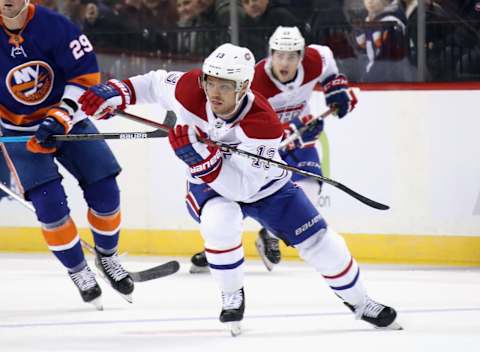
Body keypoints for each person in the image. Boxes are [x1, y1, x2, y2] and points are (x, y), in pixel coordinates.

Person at [79, 42, 400, 335]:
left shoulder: (263, 124)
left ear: (244, 87)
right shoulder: (191, 88)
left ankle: (361, 303)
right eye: (210, 81)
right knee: (221, 222)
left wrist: (200, 159)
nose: (213, 92)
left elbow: (244, 189)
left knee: (323, 244)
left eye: (224, 86)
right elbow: (152, 83)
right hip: (212, 187)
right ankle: (232, 296)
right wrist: (115, 92)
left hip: (263, 185)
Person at [190, 26, 358, 273]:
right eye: (279, 55)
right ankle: (219, 247)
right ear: (270, 54)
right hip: (259, 144)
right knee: (241, 197)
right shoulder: (255, 81)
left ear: (301, 56)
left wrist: (336, 87)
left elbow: (327, 58)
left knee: (309, 190)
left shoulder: (314, 60)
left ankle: (268, 234)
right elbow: (247, 126)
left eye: (291, 56)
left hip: (301, 139)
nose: (285, 62)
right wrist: (293, 128)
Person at [0, 0, 133, 309]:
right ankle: (79, 271)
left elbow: (83, 75)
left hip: (67, 121)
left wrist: (63, 113)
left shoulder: (55, 26)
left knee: (105, 189)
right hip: (18, 133)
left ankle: (108, 258)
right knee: (50, 207)